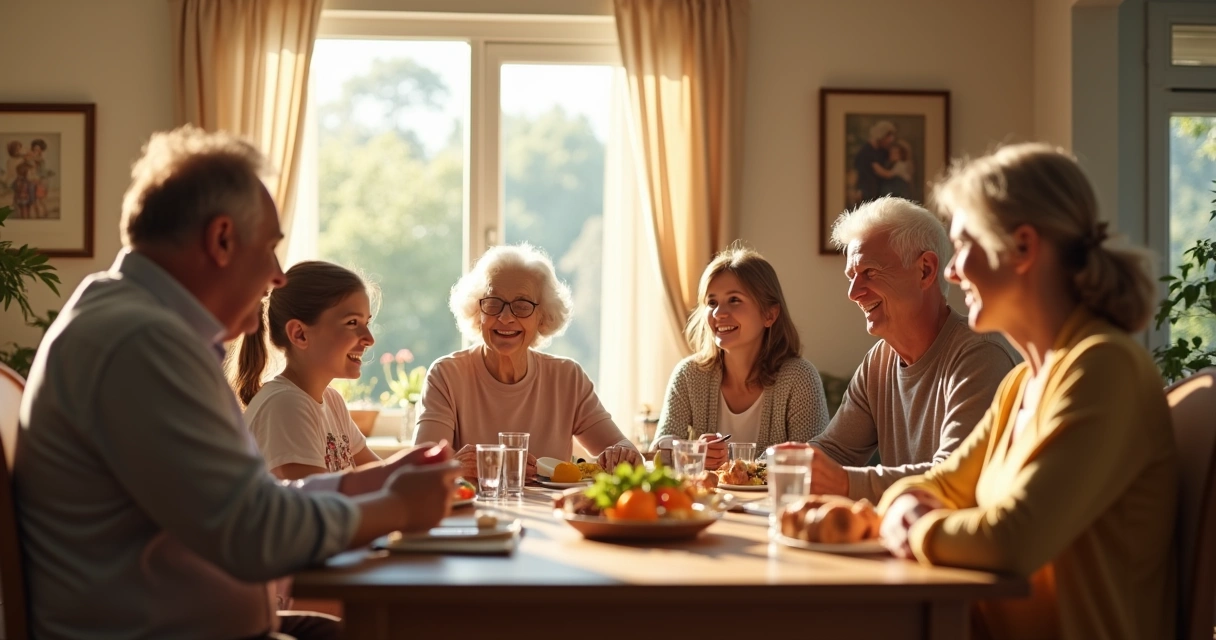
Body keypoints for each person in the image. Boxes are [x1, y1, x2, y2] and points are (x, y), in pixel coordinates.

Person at [14, 125, 460, 640]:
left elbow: (250, 500)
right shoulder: (140, 341)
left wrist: (368, 481)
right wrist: (397, 507)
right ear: (222, 239)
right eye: (269, 248)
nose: (277, 276)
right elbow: (253, 532)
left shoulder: (134, 322)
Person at [879, 143, 1177, 639]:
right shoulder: (1021, 384)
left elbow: (1012, 540)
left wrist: (914, 527)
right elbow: (935, 484)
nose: (951, 271)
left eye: (964, 245)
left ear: (1022, 247)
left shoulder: (1104, 367)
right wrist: (906, 504)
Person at [811, 196, 1019, 503]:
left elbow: (952, 479)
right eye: (851, 277)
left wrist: (845, 483)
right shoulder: (878, 361)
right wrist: (766, 466)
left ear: (925, 270)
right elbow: (834, 451)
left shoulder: (981, 355)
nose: (853, 293)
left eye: (869, 272)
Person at [415, 243, 642, 477]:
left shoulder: (567, 378)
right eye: (493, 303)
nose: (505, 317)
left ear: (542, 317)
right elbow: (419, 471)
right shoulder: (446, 375)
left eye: (522, 306)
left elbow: (626, 454)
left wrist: (622, 455)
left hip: (555, 503)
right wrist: (460, 466)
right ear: (477, 311)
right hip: (475, 503)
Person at [650, 243, 830, 469]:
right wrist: (692, 452)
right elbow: (658, 453)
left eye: (734, 300)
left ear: (769, 314)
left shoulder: (800, 378)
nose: (718, 313)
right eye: (712, 302)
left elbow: (812, 461)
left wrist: (742, 469)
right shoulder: (688, 375)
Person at [233, 261, 382, 480]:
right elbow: (315, 500)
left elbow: (381, 475)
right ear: (299, 334)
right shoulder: (286, 405)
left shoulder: (332, 401)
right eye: (352, 322)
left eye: (366, 323)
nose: (369, 339)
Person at [852, 120, 897, 203]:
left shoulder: (883, 151)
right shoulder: (866, 152)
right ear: (881, 137)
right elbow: (881, 172)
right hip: (867, 192)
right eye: (887, 139)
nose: (889, 143)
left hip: (880, 191)